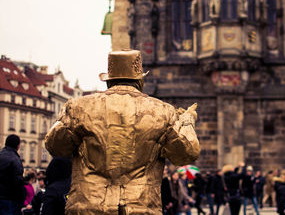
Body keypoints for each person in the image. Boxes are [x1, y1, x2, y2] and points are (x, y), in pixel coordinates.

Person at [45, 50, 200, 215]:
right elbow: (187, 153)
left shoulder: (79, 107)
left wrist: (65, 117)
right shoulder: (162, 111)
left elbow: (54, 146)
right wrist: (187, 120)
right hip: (141, 208)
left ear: (108, 80)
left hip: (88, 207)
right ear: (139, 80)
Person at [0, 134, 25, 214]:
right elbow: (18, 182)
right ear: (18, 146)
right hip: (9, 199)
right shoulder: (15, 160)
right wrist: (21, 201)